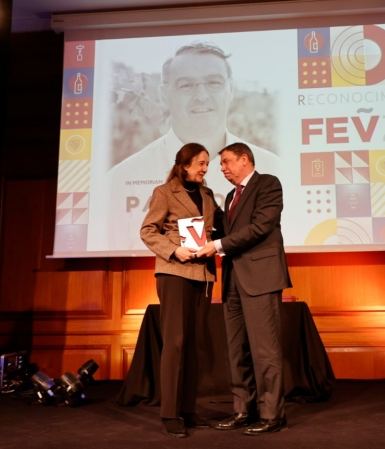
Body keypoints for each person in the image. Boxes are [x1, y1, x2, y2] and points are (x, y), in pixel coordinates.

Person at [105, 41, 280, 251]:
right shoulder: (120, 179)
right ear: (163, 95)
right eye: (186, 85)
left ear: (230, 89)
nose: (202, 96)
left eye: (214, 83)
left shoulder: (273, 169)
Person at [195, 142, 292, 436]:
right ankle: (243, 410)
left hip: (261, 277)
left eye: (226, 162)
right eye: (221, 164)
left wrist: (217, 245)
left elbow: (261, 227)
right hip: (234, 279)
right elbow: (227, 231)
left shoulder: (268, 184)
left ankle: (272, 414)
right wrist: (197, 233)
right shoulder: (230, 197)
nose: (222, 168)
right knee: (236, 350)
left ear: (244, 159)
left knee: (265, 350)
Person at [139, 143, 224, 438]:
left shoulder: (207, 195)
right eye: (201, 163)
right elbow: (148, 230)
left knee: (193, 344)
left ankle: (188, 409)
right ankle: (169, 413)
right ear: (184, 165)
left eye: (207, 164)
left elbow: (220, 227)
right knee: (175, 342)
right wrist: (175, 250)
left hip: (203, 274)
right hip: (174, 271)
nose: (205, 168)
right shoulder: (164, 192)